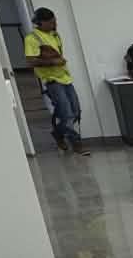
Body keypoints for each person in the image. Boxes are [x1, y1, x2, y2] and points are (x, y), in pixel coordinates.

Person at [23, 8, 88, 155]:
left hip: (65, 78)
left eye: (55, 21)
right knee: (67, 114)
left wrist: (59, 62)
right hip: (52, 81)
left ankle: (58, 133)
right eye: (51, 22)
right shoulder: (32, 38)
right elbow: (30, 62)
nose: (55, 24)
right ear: (41, 22)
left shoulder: (55, 35)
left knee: (76, 112)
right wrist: (53, 62)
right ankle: (76, 142)